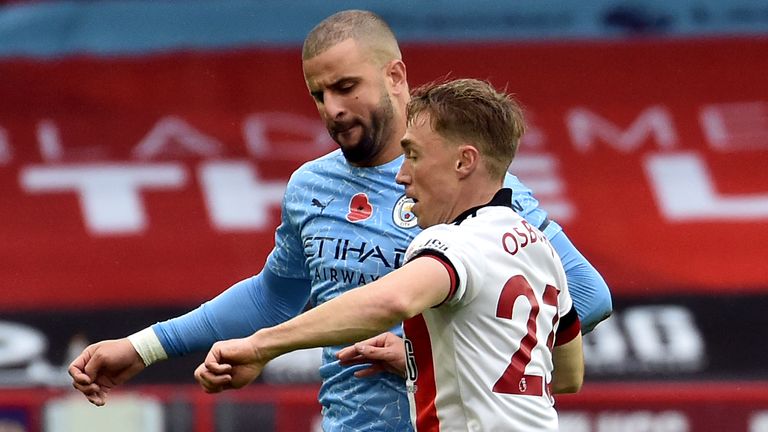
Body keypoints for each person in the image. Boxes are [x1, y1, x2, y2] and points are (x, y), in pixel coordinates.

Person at [69, 9, 609, 431]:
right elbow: (272, 297)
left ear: (395, 75)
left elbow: (583, 295)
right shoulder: (312, 186)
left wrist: (428, 354)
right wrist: (145, 347)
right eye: (318, 95)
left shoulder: (473, 193)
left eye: (346, 87)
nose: (332, 108)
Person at [195, 78, 584, 432]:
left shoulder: (455, 243)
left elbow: (390, 300)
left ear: (464, 162)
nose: (401, 175)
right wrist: (429, 360)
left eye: (413, 155)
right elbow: (567, 375)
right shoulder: (540, 248)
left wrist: (260, 346)